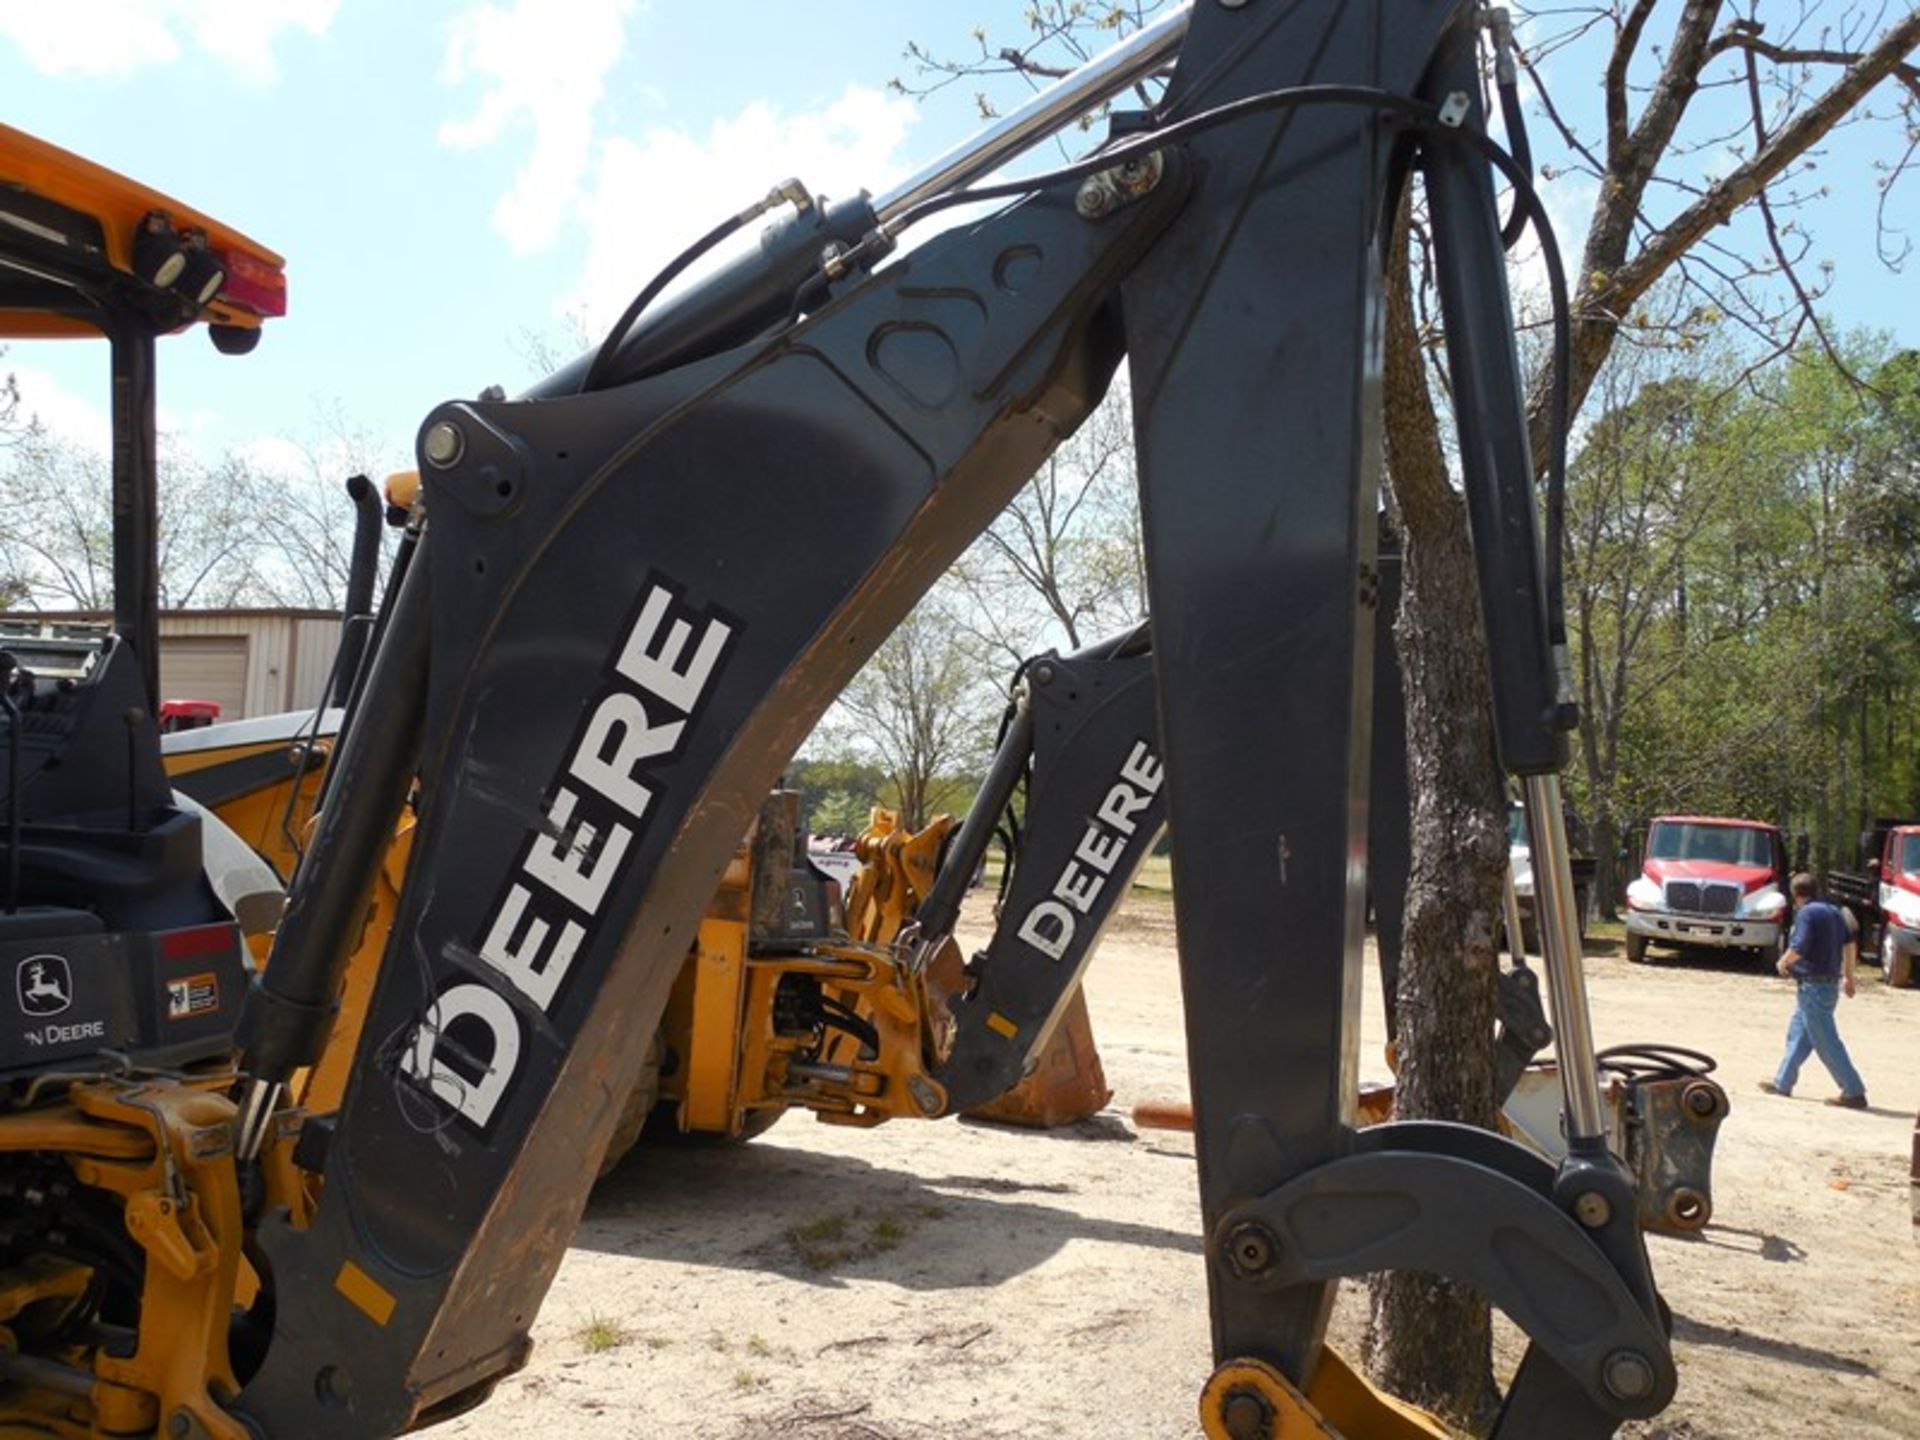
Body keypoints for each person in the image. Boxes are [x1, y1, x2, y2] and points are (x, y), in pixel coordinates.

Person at [1759, 873, 1868, 1108]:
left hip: (1813, 986)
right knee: (1798, 1035)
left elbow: (1799, 946)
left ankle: (1853, 1090)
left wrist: (1783, 961)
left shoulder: (1807, 913)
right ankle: (1782, 1083)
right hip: (1826, 984)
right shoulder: (1835, 911)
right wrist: (1848, 977)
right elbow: (1850, 945)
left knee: (1826, 1040)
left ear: (1795, 895)